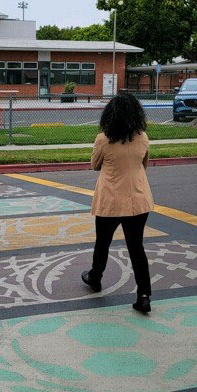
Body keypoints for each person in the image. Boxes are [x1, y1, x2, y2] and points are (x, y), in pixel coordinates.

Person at [81, 93, 154, 313]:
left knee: (103, 242)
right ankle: (143, 296)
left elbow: (95, 165)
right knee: (136, 248)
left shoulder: (104, 139)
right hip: (138, 200)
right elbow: (145, 163)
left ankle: (95, 277)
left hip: (110, 200)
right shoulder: (142, 137)